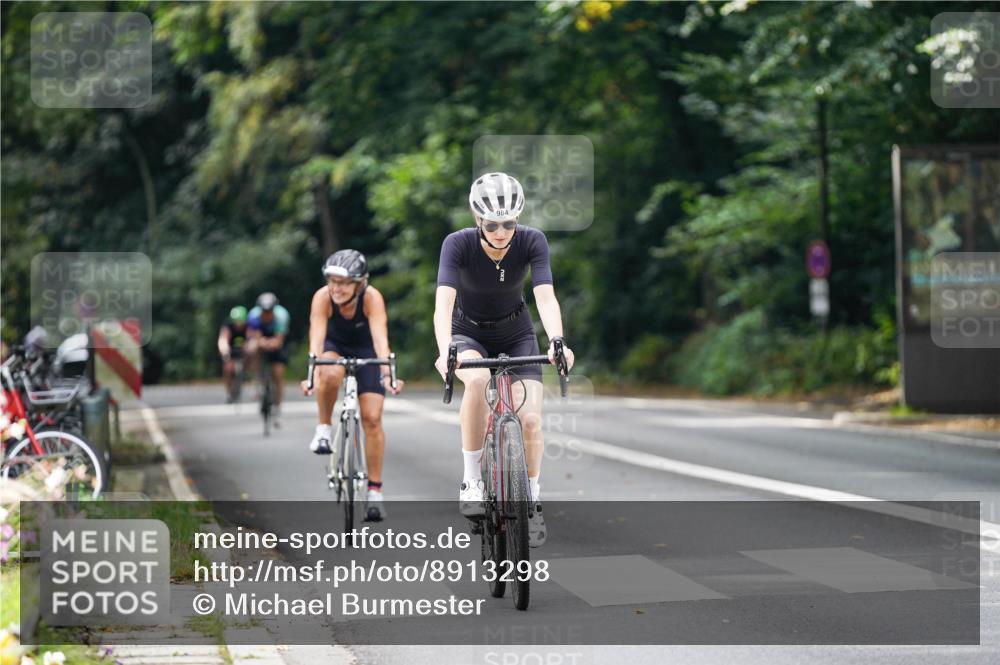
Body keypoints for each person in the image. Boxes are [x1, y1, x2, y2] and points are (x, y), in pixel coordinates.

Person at [433, 172, 575, 548]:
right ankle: (471, 480)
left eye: (508, 223)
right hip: (467, 331)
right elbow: (443, 304)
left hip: (516, 333)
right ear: (478, 219)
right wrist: (445, 350)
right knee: (478, 382)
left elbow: (545, 296)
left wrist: (558, 340)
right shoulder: (457, 244)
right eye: (492, 224)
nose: (501, 231)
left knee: (529, 419)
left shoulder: (532, 240)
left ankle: (531, 498)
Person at [300, 249, 403, 522]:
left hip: (366, 349)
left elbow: (380, 338)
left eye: (344, 283)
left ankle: (374, 493)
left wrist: (387, 372)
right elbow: (317, 339)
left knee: (371, 418)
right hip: (333, 348)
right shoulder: (322, 298)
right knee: (331, 372)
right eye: (332, 281)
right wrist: (313, 372)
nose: (336, 288)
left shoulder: (371, 298)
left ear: (360, 283)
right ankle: (323, 429)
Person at [246, 293, 291, 425]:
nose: (266, 314)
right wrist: (258, 343)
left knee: (277, 373)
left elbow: (278, 341)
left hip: (276, 339)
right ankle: (257, 380)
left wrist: (267, 343)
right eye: (264, 311)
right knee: (252, 350)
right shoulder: (253, 316)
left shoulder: (281, 316)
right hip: (260, 336)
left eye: (269, 311)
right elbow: (253, 337)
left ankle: (278, 405)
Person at [218, 306, 249, 402]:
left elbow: (251, 339)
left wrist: (249, 350)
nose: (238, 323)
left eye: (240, 321)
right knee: (228, 369)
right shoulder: (228, 326)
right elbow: (223, 339)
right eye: (235, 321)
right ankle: (228, 393)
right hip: (231, 350)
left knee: (250, 363)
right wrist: (225, 351)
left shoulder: (249, 326)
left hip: (244, 350)